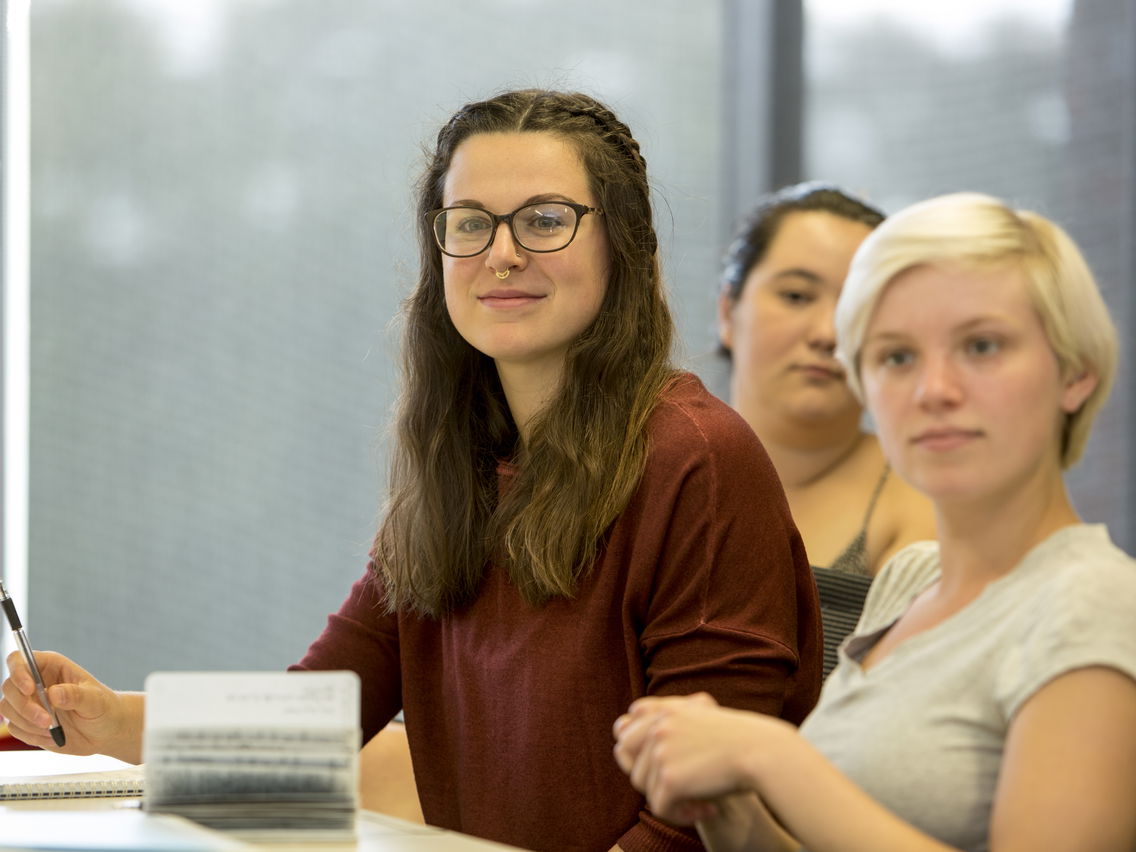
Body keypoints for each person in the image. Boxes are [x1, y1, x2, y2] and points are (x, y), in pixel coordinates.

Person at [2, 89, 823, 852]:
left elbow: (706, 809)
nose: (501, 253)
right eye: (469, 222)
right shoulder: (458, 468)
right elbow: (317, 719)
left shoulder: (697, 459)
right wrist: (105, 721)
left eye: (544, 220)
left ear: (625, 244)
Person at [613, 192, 1136, 852]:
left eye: (982, 345)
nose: (934, 389)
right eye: (896, 357)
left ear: (1077, 374)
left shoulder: (1096, 601)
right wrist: (732, 816)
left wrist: (770, 757)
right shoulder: (910, 584)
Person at [718, 182, 935, 578]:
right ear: (728, 312)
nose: (827, 334)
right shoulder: (646, 475)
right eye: (797, 296)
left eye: (856, 306)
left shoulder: (926, 499)